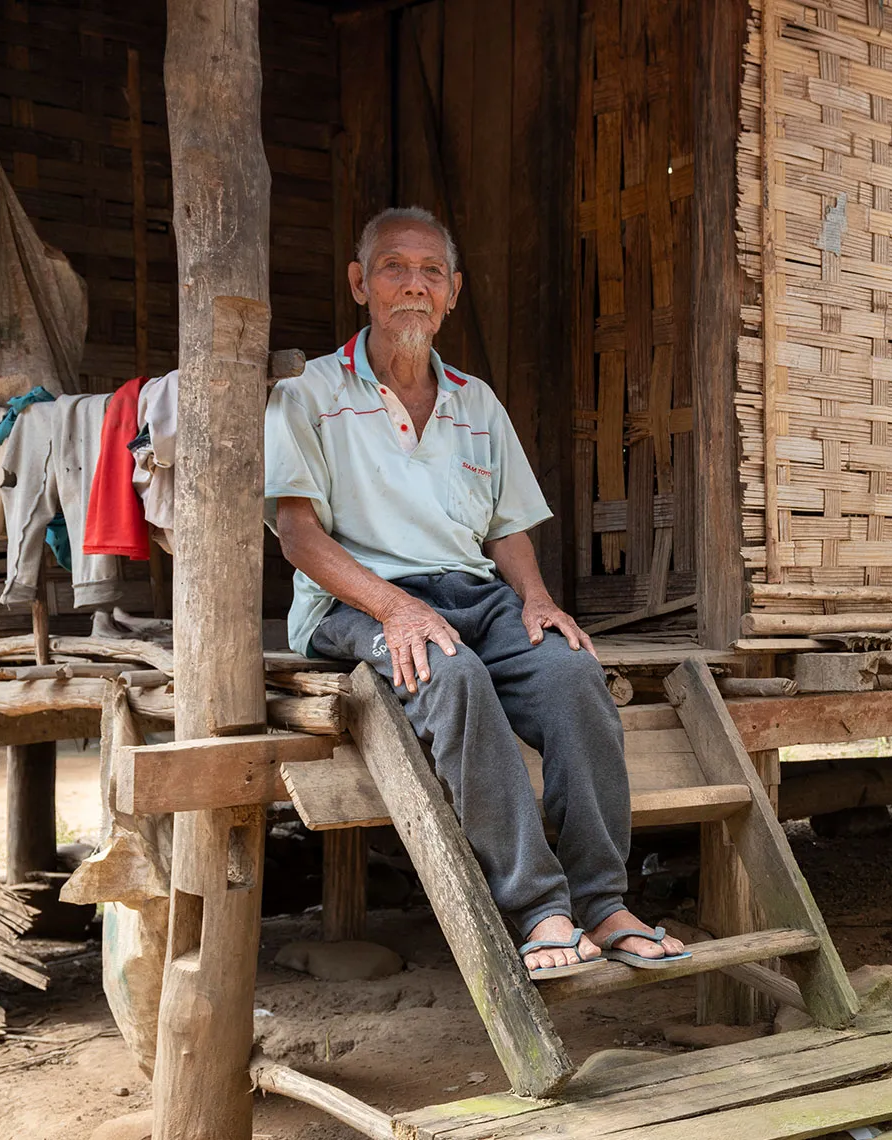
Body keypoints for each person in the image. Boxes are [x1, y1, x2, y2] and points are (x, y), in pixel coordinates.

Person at [264, 206, 688, 977]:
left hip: (472, 593)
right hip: (358, 600)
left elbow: (507, 528)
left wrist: (535, 598)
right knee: (450, 677)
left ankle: (603, 900)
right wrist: (394, 607)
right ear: (361, 283)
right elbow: (299, 537)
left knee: (571, 675)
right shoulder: (310, 392)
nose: (414, 287)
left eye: (432, 273)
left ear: (453, 292)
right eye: (395, 268)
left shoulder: (475, 401)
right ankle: (538, 909)